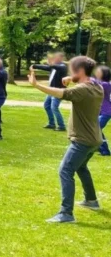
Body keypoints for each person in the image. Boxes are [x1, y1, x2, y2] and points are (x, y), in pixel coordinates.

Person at [28, 56, 103, 223]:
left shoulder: (82, 90)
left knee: (65, 170)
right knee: (81, 167)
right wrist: (72, 78)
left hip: (83, 140)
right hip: (95, 138)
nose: (70, 72)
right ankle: (92, 201)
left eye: (73, 70)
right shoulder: (96, 87)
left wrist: (37, 85)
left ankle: (66, 213)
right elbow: (82, 85)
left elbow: (62, 93)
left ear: (80, 71)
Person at [32, 53, 68, 131]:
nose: (54, 59)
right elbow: (46, 67)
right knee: (47, 105)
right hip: (51, 91)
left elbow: (54, 66)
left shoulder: (62, 67)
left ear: (60, 59)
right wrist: (34, 66)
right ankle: (51, 124)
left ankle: (61, 126)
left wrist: (51, 63)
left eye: (56, 58)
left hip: (58, 91)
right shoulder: (53, 67)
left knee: (54, 107)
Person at [94, 65, 111, 156]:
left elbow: (92, 82)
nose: (96, 72)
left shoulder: (105, 84)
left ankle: (105, 150)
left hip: (106, 112)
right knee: (97, 129)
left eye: (98, 71)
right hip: (101, 111)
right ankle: (101, 148)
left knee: (96, 129)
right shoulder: (101, 83)